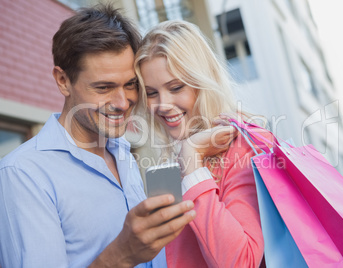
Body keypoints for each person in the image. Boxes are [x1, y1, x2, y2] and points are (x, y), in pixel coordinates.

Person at [0, 5, 196, 268]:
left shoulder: (123, 151)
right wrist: (122, 254)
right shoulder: (22, 175)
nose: (122, 103)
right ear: (62, 80)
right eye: (104, 87)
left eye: (130, 85)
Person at [134, 20, 266, 267]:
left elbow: (242, 261)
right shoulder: (174, 156)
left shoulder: (242, 146)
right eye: (151, 93)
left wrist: (192, 160)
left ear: (202, 81)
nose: (162, 104)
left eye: (175, 87)